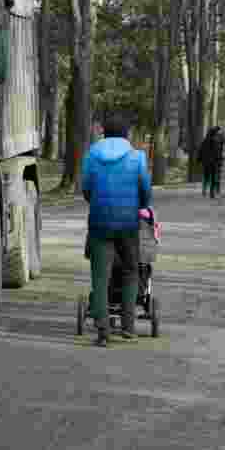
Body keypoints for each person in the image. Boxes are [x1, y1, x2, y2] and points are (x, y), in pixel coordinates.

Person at [81, 114, 152, 347]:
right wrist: (139, 206)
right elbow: (145, 191)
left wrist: (98, 203)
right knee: (131, 270)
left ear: (103, 133)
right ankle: (128, 329)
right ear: (126, 135)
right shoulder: (137, 157)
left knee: (100, 277)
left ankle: (103, 333)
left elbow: (87, 189)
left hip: (100, 223)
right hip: (128, 224)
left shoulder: (92, 155)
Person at [197, 126, 224, 198]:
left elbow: (200, 151)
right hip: (213, 162)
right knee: (213, 177)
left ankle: (204, 190)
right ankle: (212, 192)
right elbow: (217, 153)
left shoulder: (204, 141)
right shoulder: (216, 142)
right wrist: (220, 161)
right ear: (214, 134)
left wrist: (199, 160)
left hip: (206, 162)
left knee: (206, 176)